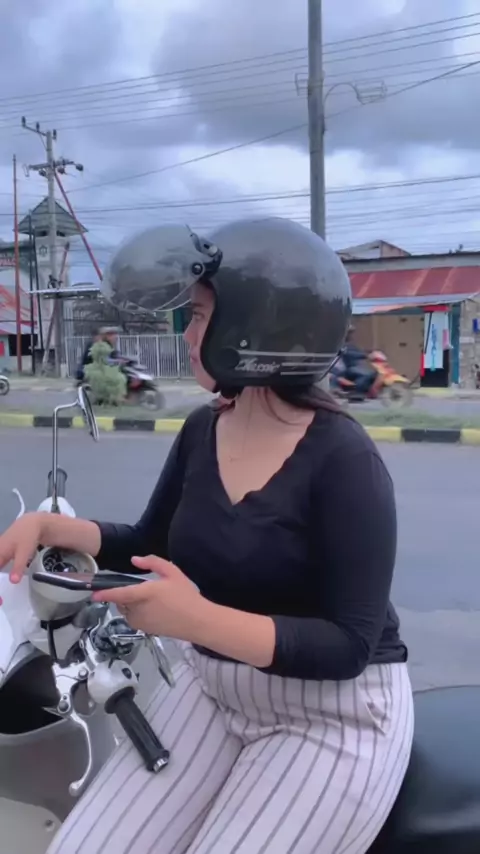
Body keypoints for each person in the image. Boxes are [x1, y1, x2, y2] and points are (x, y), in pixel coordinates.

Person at [0, 218, 413, 854]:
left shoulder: (345, 460)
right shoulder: (204, 429)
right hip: (215, 688)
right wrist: (53, 527)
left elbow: (349, 646)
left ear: (254, 327)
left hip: (332, 715)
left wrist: (195, 620)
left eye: (197, 317)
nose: (187, 335)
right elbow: (151, 539)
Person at [341, 326, 377, 395]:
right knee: (366, 374)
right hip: (348, 368)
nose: (350, 335)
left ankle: (367, 390)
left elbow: (358, 351)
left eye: (351, 333)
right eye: (349, 333)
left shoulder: (351, 345)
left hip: (357, 366)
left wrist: (370, 351)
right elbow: (348, 353)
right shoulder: (341, 345)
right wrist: (365, 355)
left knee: (373, 373)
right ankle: (356, 392)